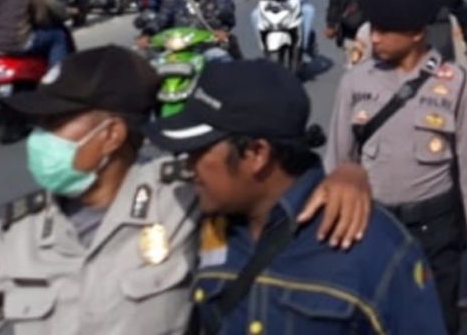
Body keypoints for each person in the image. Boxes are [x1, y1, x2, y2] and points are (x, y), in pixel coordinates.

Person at [0, 45, 376, 335]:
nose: (40, 139)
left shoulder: (183, 199)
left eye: (55, 123)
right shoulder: (20, 231)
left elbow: (267, 179)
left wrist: (346, 175)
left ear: (113, 135)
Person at [145, 59, 446, 335]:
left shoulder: (374, 248)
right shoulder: (196, 220)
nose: (187, 166)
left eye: (199, 150)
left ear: (256, 154)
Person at [325, 0, 467, 334]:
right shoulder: (356, 82)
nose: (373, 37)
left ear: (416, 34)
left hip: (434, 234)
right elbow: (337, 164)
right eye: (372, 27)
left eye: (384, 30)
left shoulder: (455, 84)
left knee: (433, 323)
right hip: (370, 229)